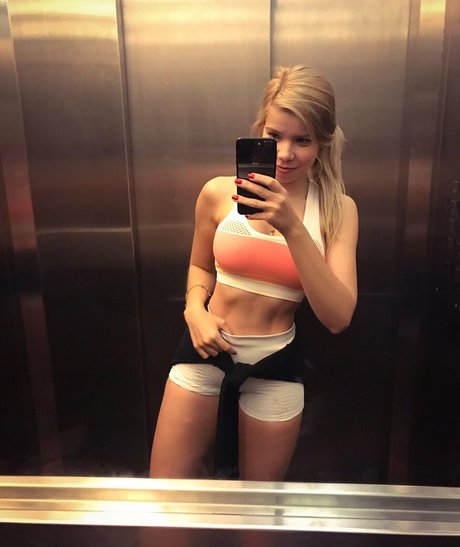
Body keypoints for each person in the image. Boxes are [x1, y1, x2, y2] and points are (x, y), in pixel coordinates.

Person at [150, 65, 358, 481]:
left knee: (258, 511)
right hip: (203, 353)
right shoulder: (217, 193)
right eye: (274, 135)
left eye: (302, 140)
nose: (285, 153)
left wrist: (292, 227)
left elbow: (338, 317)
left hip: (274, 367)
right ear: (259, 128)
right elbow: (200, 266)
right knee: (166, 498)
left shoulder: (338, 211)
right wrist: (194, 310)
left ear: (323, 142)